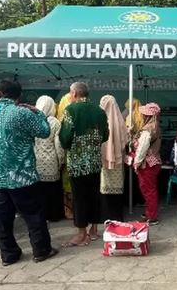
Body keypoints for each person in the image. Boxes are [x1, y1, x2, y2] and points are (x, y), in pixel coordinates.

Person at [0, 80, 57, 266]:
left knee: (2, 219)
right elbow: (44, 131)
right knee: (34, 215)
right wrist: (38, 112)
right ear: (19, 95)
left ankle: (9, 255)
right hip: (23, 176)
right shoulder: (22, 113)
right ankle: (41, 250)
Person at [59, 82, 109, 246]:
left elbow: (65, 138)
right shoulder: (100, 111)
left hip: (77, 163)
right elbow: (105, 135)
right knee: (94, 195)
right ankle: (94, 230)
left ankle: (82, 234)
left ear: (74, 93)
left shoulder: (71, 110)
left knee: (79, 197)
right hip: (95, 161)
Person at [130, 102, 162, 224]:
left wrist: (136, 163)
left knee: (148, 190)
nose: (142, 116)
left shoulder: (148, 130)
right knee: (150, 189)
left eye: (144, 114)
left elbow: (142, 149)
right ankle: (150, 212)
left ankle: (152, 216)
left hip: (147, 163)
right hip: (154, 161)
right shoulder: (156, 126)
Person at [34, 95, 65, 222]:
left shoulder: (34, 121)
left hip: (36, 161)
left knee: (39, 191)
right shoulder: (55, 122)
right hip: (51, 162)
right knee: (52, 190)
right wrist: (61, 160)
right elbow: (58, 145)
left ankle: (41, 215)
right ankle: (54, 215)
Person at [99, 94, 129, 222]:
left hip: (103, 159)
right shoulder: (120, 121)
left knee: (105, 185)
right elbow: (125, 140)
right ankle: (117, 216)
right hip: (118, 160)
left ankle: (105, 215)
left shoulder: (100, 121)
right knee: (117, 186)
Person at [56, 92, 74, 219]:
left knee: (67, 183)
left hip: (66, 154)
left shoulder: (59, 122)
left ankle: (68, 211)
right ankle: (74, 211)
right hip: (76, 156)